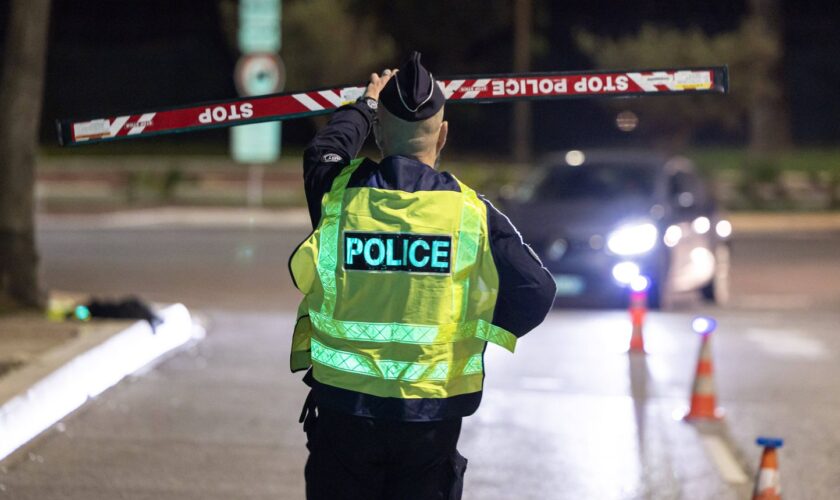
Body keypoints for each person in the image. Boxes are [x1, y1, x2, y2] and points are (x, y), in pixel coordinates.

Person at [289, 52, 556, 500]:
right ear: (443, 134)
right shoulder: (472, 215)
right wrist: (471, 332)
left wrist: (365, 104)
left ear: (376, 133)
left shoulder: (339, 199)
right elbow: (536, 289)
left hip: (344, 409)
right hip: (429, 417)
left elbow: (324, 150)